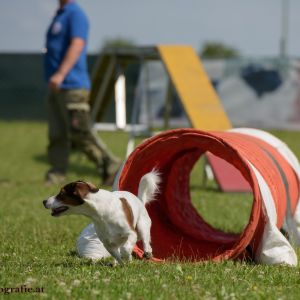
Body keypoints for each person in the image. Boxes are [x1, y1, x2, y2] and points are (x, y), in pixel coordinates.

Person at [44, 0, 120, 185]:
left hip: (72, 86)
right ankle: (57, 174)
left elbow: (77, 44)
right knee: (57, 134)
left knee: (81, 133)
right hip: (56, 86)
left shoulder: (76, 14)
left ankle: (112, 166)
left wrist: (61, 73)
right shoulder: (59, 14)